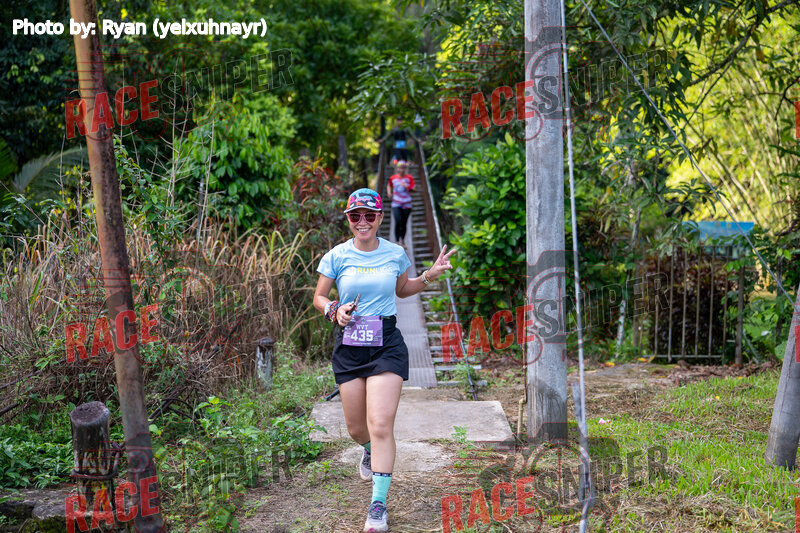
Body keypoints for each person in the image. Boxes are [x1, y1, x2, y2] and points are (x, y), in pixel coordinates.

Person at [313, 188, 456, 532]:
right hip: (350, 344)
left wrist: (429, 275)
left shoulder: (395, 253)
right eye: (355, 215)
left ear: (379, 218)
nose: (362, 221)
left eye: (369, 215)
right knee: (356, 428)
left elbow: (402, 289)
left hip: (386, 344)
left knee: (379, 425)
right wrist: (334, 309)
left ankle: (377, 506)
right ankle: (368, 450)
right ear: (348, 219)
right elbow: (319, 296)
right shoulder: (336, 255)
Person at [386, 161, 415, 248]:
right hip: (396, 203)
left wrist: (406, 186)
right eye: (400, 168)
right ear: (397, 168)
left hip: (407, 204)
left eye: (403, 168)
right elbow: (389, 185)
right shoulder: (393, 178)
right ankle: (396, 241)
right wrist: (389, 192)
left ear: (405, 169)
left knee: (404, 223)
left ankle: (402, 240)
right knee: (398, 221)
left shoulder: (409, 178)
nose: (401, 170)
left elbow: (414, 188)